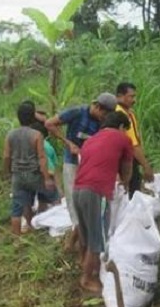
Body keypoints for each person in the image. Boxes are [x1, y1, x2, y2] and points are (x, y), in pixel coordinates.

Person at [44, 93, 117, 248]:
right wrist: (68, 143)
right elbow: (49, 124)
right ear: (97, 106)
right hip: (72, 162)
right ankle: (77, 239)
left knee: (88, 200)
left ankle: (77, 240)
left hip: (91, 165)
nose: (104, 118)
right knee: (73, 199)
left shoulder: (102, 122)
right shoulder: (77, 112)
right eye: (103, 114)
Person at [73, 111, 134, 293]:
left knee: (85, 233)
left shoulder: (90, 140)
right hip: (97, 192)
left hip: (78, 190)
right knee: (97, 238)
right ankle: (86, 278)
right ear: (122, 127)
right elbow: (127, 169)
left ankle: (82, 263)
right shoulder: (123, 139)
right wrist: (125, 183)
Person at [4, 102, 54, 235]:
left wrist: (8, 172)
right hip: (34, 174)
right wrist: (47, 178)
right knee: (54, 197)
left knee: (17, 207)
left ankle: (17, 238)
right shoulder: (37, 135)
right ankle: (46, 225)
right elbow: (42, 158)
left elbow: (7, 157)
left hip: (17, 175)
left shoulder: (10, 135)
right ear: (33, 117)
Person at [115, 83, 154, 198]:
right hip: (125, 161)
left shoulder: (129, 113)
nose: (134, 100)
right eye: (131, 96)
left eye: (134, 96)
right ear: (120, 96)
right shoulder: (121, 115)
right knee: (130, 193)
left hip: (128, 160)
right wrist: (146, 166)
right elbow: (134, 145)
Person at [30, 121, 61, 212]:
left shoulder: (31, 144)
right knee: (55, 200)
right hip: (46, 177)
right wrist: (59, 188)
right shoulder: (47, 146)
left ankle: (37, 219)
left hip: (33, 176)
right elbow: (52, 168)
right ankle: (58, 218)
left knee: (41, 201)